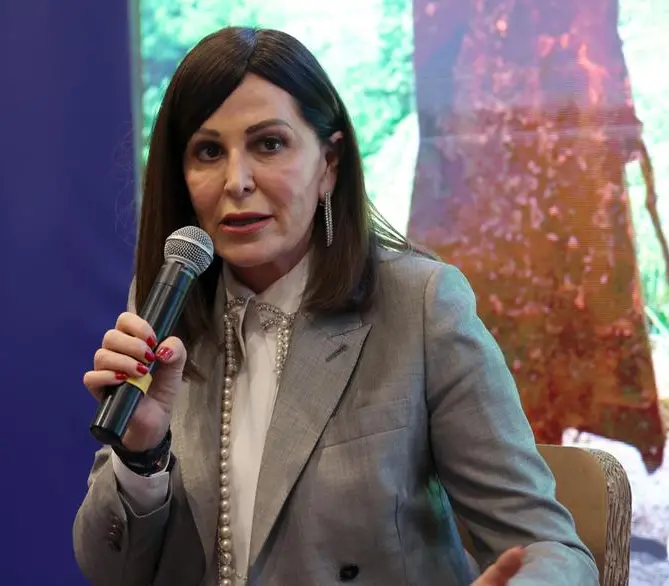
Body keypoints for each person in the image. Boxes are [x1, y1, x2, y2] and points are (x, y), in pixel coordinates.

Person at [73, 26, 599, 586]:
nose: (237, 181)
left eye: (268, 144)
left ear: (329, 162)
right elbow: (108, 571)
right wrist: (142, 455)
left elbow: (549, 549)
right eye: (208, 152)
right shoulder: (165, 307)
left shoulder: (421, 305)